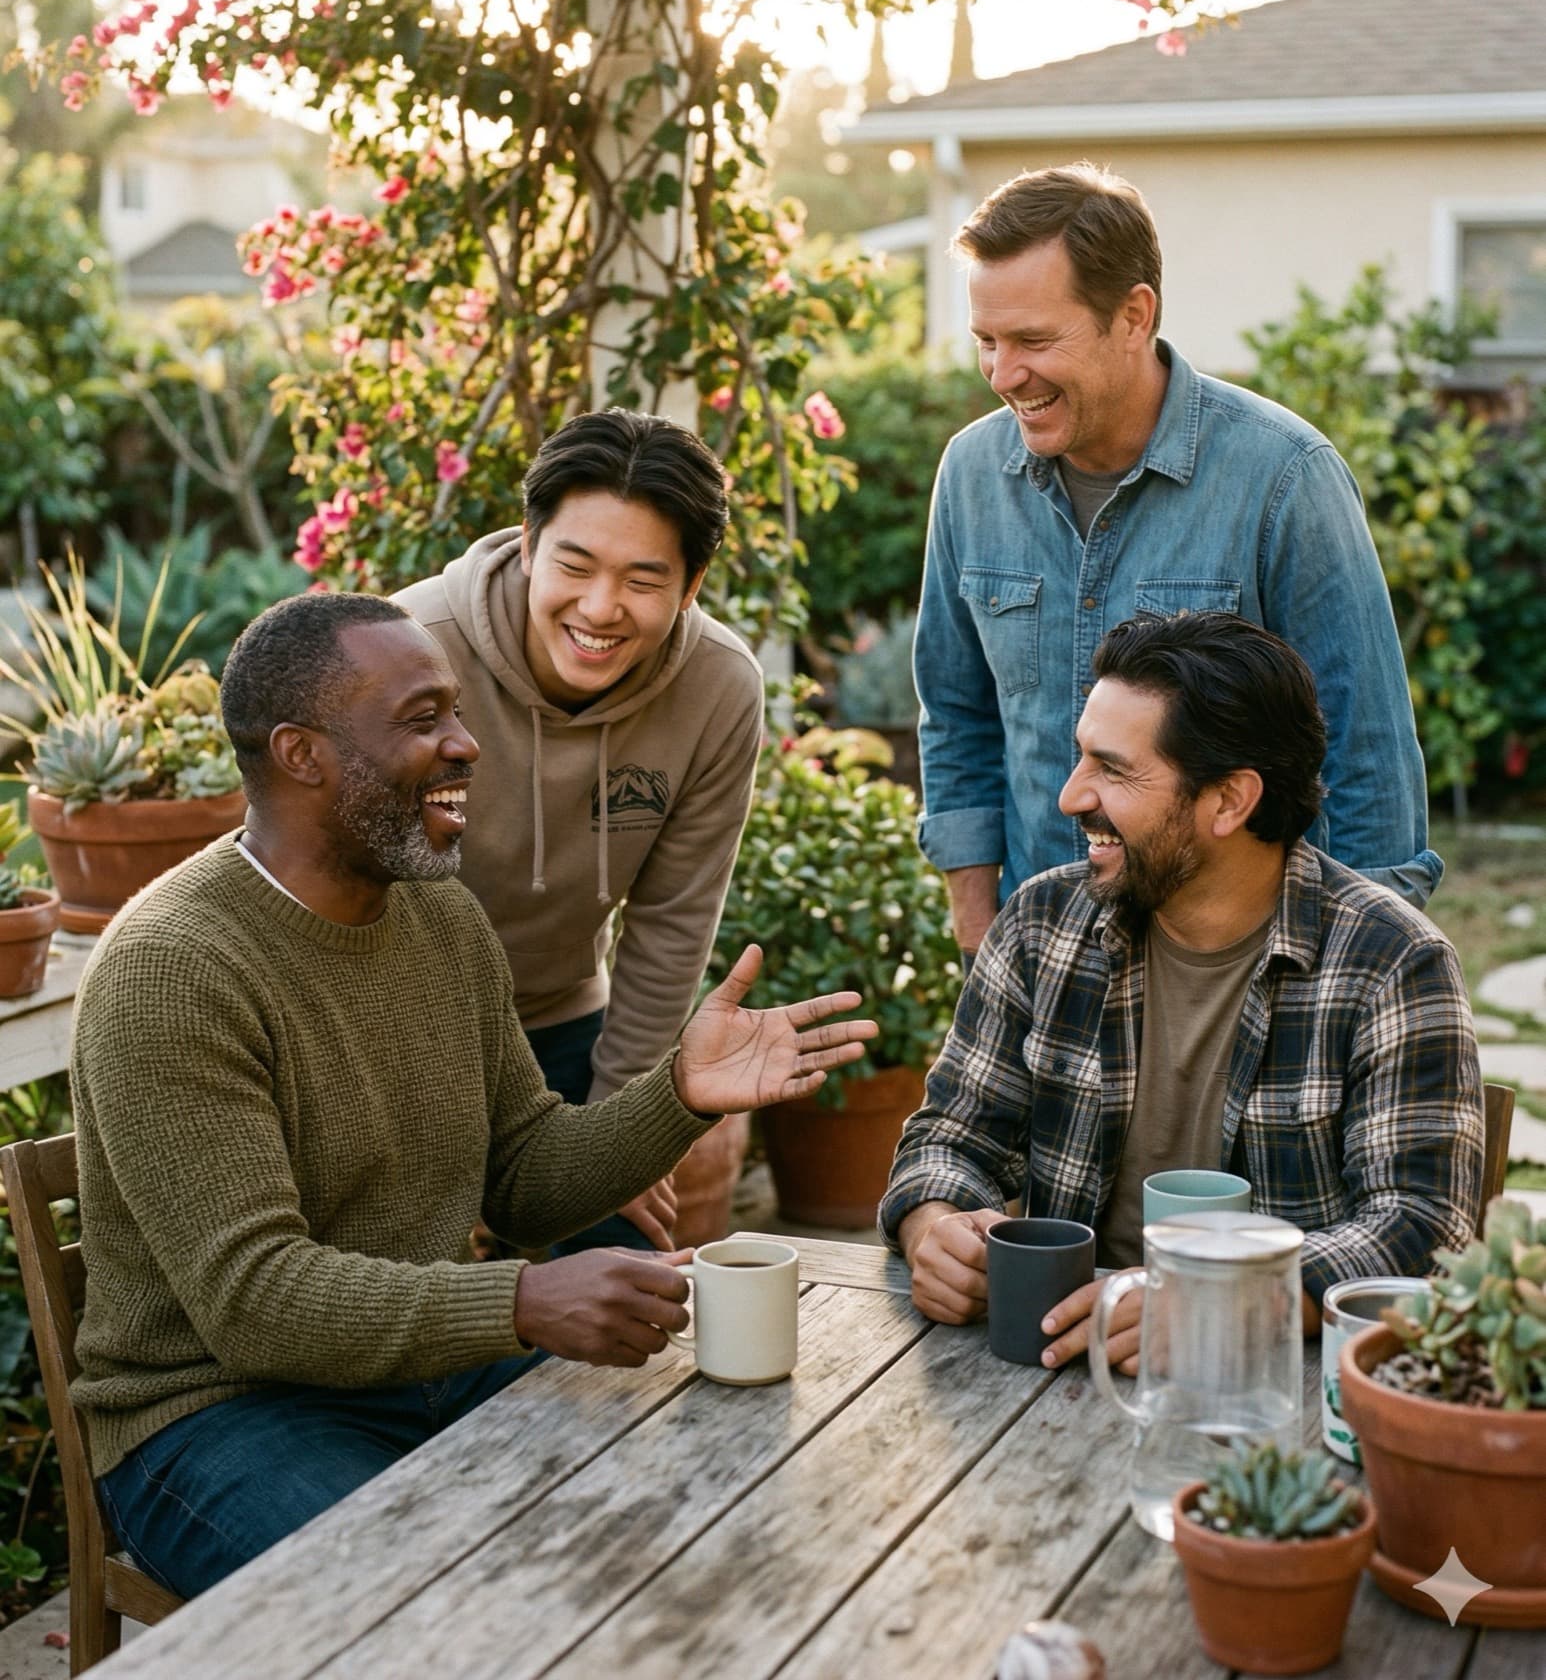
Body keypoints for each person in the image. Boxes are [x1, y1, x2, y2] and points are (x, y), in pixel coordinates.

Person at [71, 593, 872, 1598]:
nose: (465, 745)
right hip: (216, 1417)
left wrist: (678, 1093)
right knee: (441, 1605)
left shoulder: (439, 916)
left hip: (415, 1375)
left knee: (699, 1507)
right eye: (422, 719)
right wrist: (522, 1300)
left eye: (456, 712)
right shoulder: (174, 969)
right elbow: (254, 1301)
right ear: (301, 753)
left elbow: (525, 1173)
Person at [882, 612, 1481, 1374]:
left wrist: (1227, 1301)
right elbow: (949, 1139)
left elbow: (1425, 1228)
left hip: (1269, 1400)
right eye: (1079, 760)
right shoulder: (1039, 923)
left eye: (1113, 769)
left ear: (1229, 801)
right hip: (1050, 1374)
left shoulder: (1394, 961)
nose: (1070, 797)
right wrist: (935, 1225)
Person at [915, 162, 1440, 970]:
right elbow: (956, 715)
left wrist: (1353, 979)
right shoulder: (968, 475)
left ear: (1134, 314)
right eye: (988, 341)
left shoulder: (1285, 476)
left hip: (1238, 963)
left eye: (1034, 340)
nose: (1003, 374)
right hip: (1043, 959)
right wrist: (980, 934)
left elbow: (1364, 751)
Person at [395, 409, 762, 1255]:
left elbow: (672, 924)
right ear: (527, 545)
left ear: (692, 583)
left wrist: (613, 1141)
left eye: (643, 579)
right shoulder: (410, 655)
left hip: (562, 1022)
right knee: (425, 1302)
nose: (602, 608)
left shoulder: (719, 688)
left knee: (621, 1268)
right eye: (576, 564)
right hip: (397, 1038)